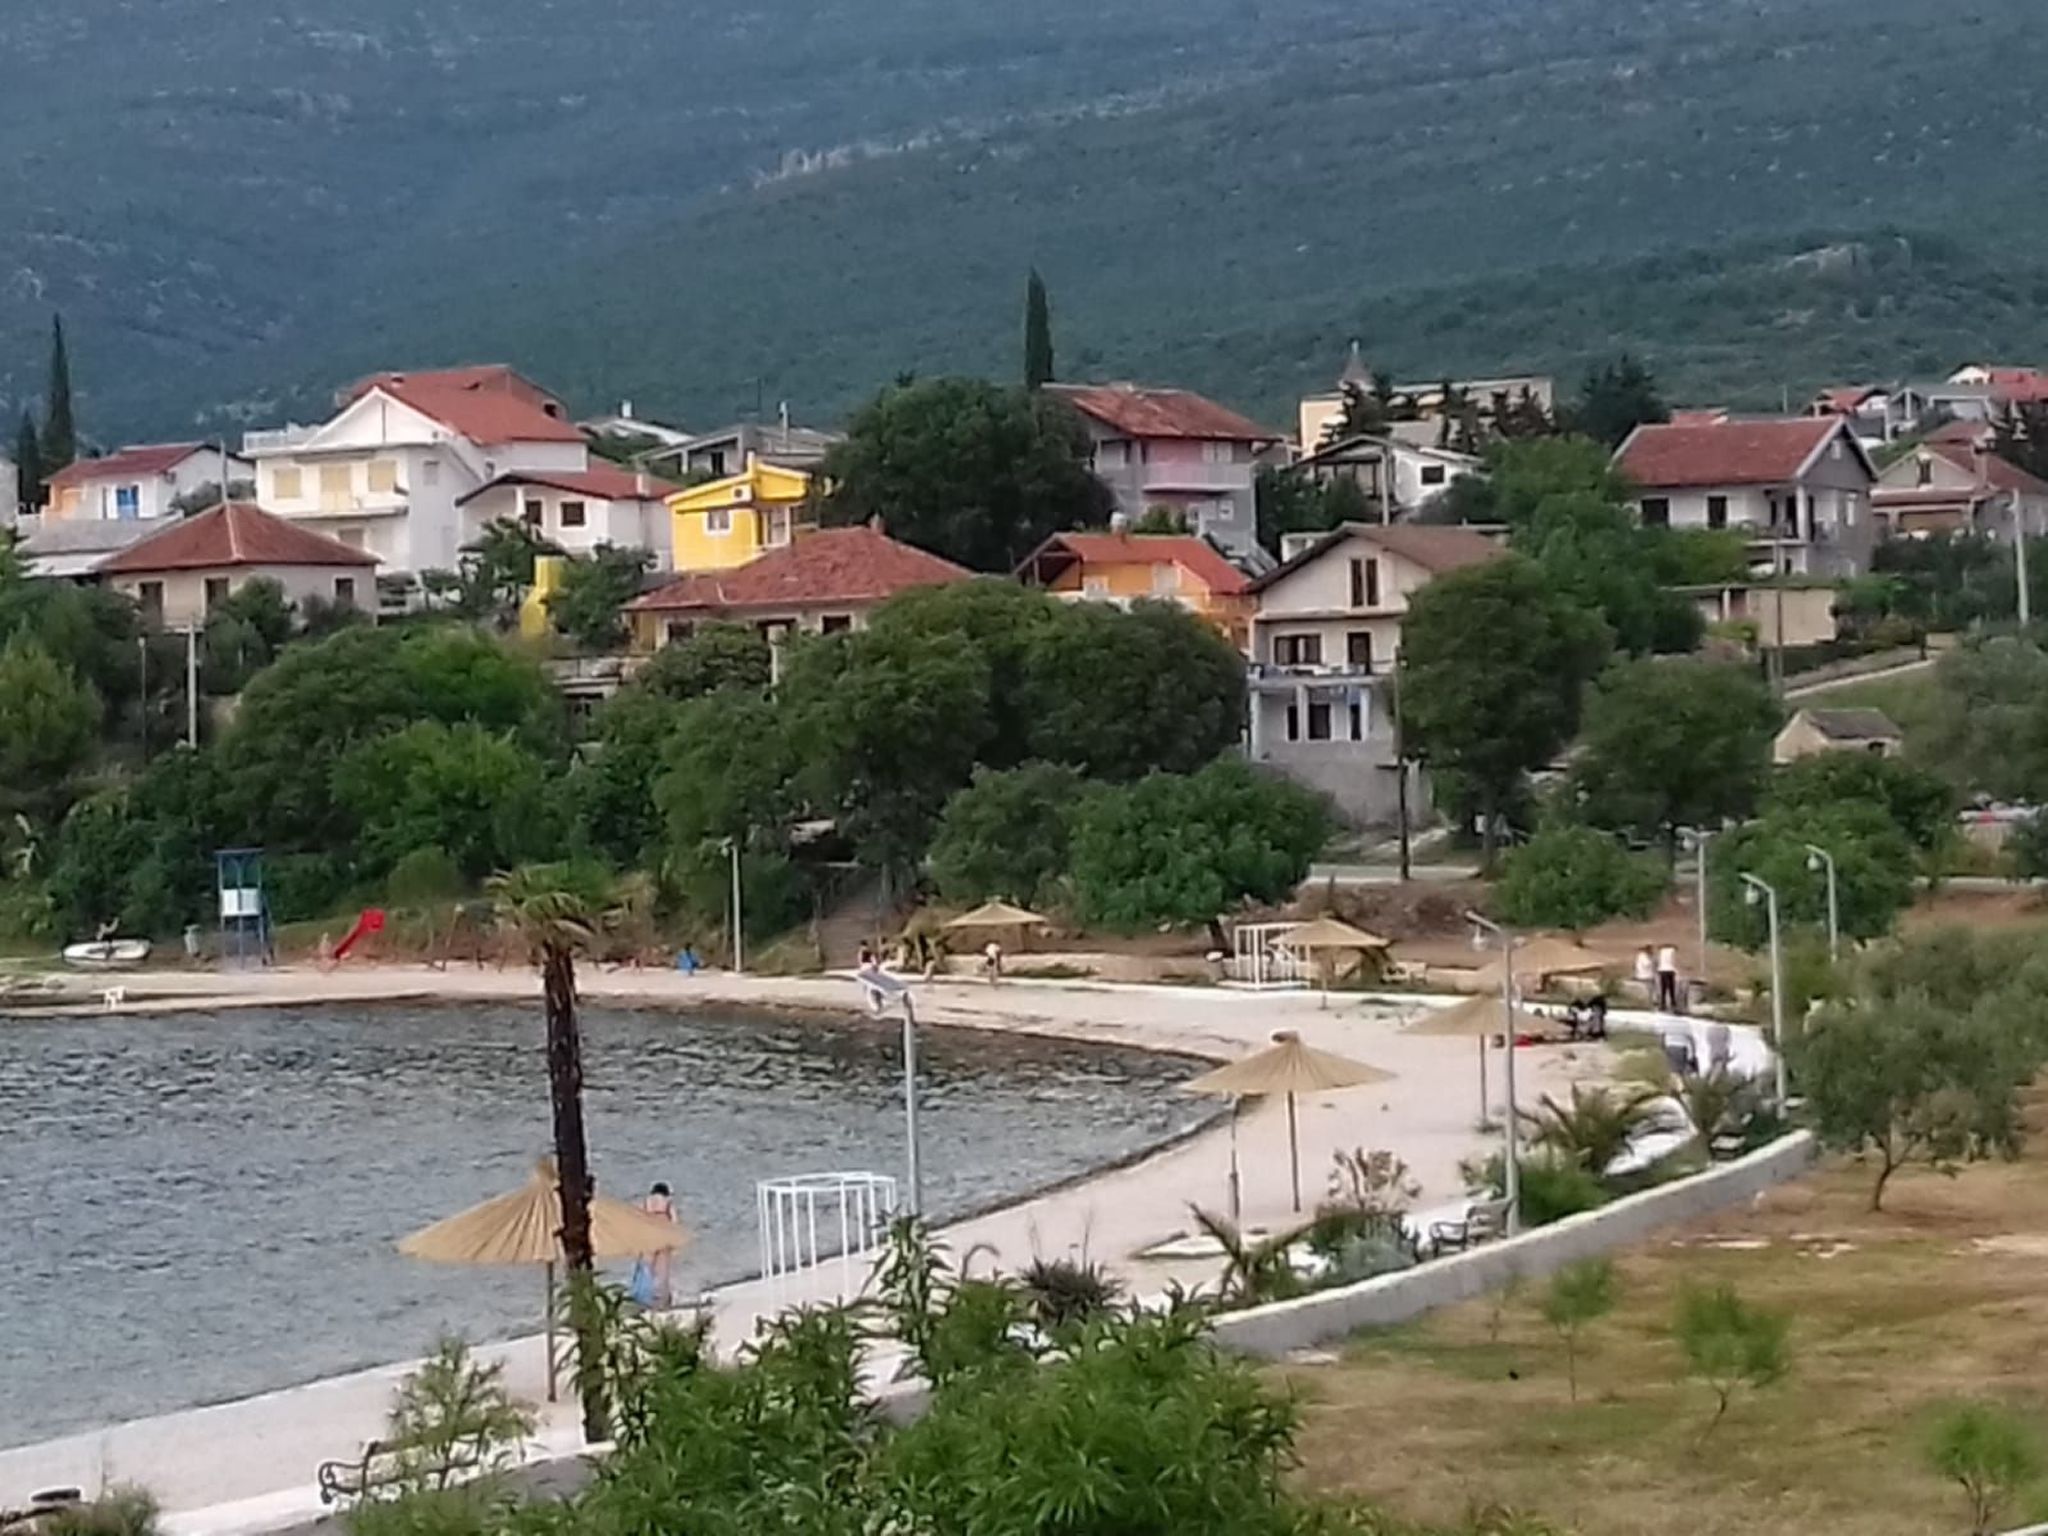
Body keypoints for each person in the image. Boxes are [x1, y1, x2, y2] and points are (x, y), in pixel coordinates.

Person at [630, 1181, 677, 1310]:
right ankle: (662, 1301)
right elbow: (674, 1221)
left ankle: (643, 1299)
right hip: (663, 1236)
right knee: (662, 1271)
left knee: (646, 1268)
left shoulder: (646, 1202)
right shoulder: (668, 1202)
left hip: (648, 1237)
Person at [1656, 943, 1681, 1013]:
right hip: (1669, 970)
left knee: (1663, 988)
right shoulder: (1672, 950)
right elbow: (1673, 961)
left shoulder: (1662, 951)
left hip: (1662, 970)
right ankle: (1672, 1004)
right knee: (1671, 988)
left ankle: (1663, 1004)